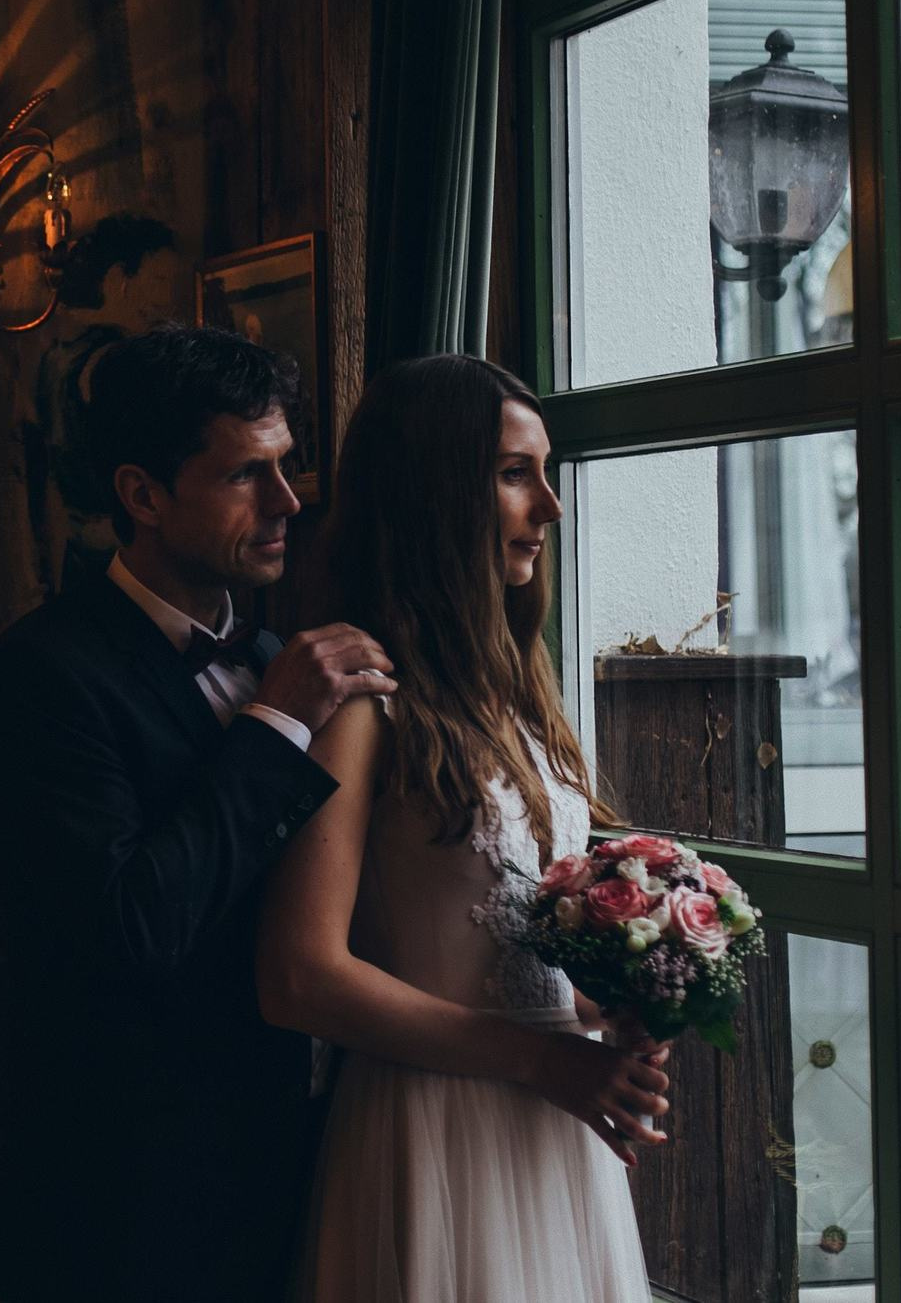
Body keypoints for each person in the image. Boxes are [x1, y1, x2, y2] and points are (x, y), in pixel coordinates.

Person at [0, 324, 399, 1302]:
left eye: (286, 465)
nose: (288, 500)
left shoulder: (283, 659)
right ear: (143, 495)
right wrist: (275, 724)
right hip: (130, 1199)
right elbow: (128, 926)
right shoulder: (36, 677)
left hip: (312, 1158)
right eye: (246, 474)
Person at [259, 353, 668, 1301]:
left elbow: (514, 947)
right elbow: (298, 975)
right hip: (433, 1136)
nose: (550, 506)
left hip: (557, 1134)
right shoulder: (363, 705)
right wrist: (541, 1056)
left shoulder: (519, 699)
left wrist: (616, 1009)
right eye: (516, 473)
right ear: (435, 494)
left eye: (545, 472)